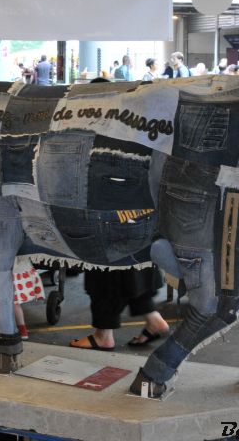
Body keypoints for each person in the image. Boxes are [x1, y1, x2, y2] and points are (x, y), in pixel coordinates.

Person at [68, 78, 169, 351]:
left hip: (108, 211)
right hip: (140, 210)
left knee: (102, 270)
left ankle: (103, 335)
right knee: (133, 265)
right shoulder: (135, 121)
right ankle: (153, 319)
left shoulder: (98, 125)